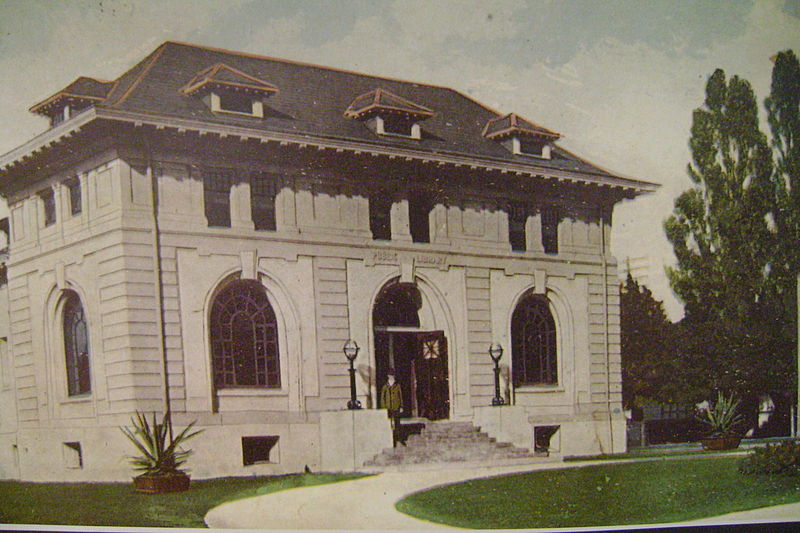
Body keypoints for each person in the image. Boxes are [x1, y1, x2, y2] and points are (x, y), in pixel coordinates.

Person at [380, 371, 404, 446]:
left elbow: (400, 396)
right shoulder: (385, 386)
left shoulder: (397, 386)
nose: (391, 377)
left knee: (397, 423)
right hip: (388, 407)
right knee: (389, 423)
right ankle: (390, 439)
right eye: (390, 375)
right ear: (388, 376)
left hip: (396, 406)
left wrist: (401, 406)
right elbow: (382, 398)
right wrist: (383, 407)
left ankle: (399, 438)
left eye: (393, 376)